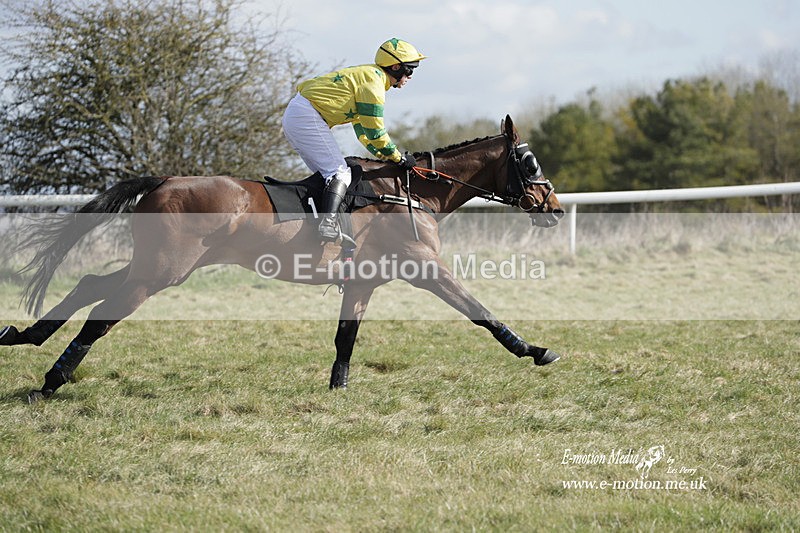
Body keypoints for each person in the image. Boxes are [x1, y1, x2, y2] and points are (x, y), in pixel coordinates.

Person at [282, 38, 426, 241]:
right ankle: (328, 225)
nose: (410, 77)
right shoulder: (373, 84)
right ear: (395, 67)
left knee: (328, 176)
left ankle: (318, 221)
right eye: (410, 70)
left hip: (299, 114)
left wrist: (381, 154)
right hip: (306, 116)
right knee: (339, 173)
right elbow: (376, 132)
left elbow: (363, 132)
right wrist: (398, 158)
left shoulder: (370, 76)